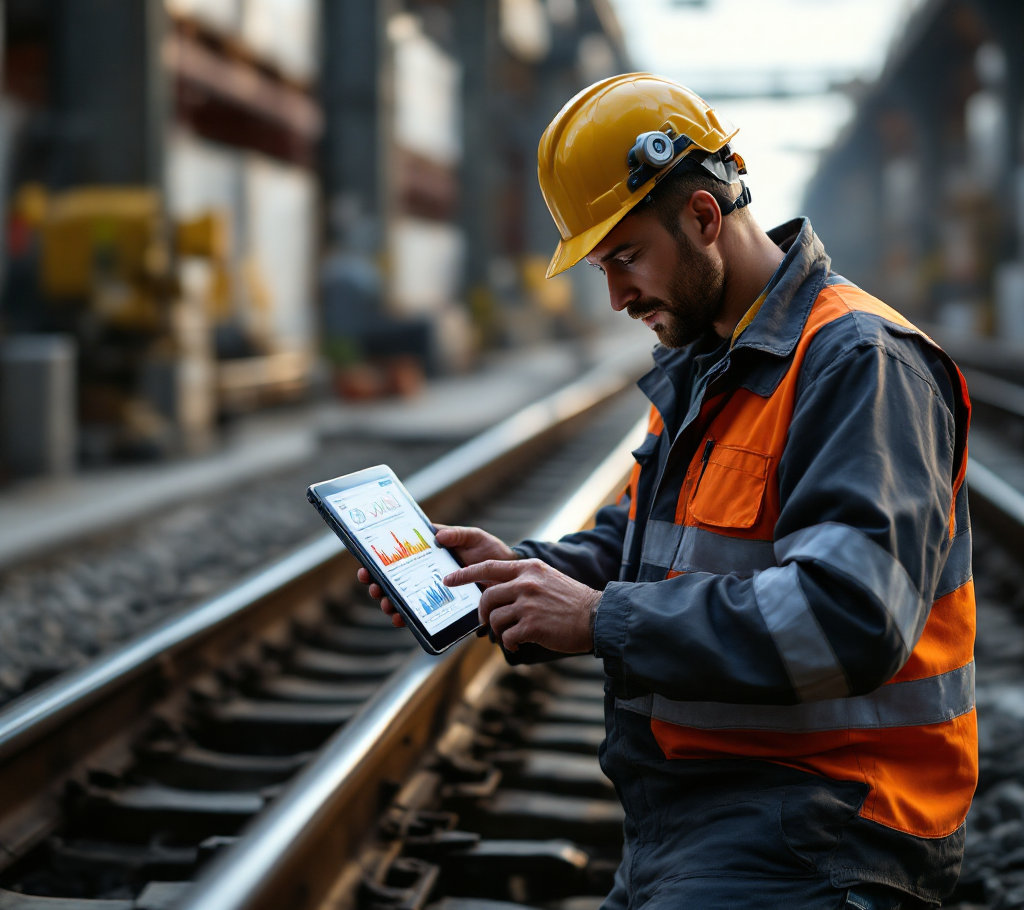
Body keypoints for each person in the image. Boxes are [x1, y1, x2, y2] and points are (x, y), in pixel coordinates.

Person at [358, 74, 975, 910]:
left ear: (703, 218)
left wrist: (594, 620)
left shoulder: (857, 361)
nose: (616, 298)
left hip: (830, 829)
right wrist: (512, 574)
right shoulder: (710, 365)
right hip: (701, 822)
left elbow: (849, 619)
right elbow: (644, 550)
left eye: (624, 259)